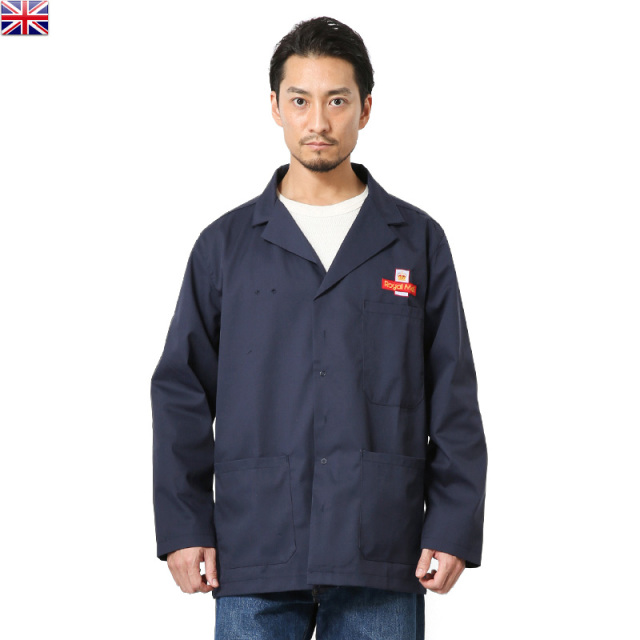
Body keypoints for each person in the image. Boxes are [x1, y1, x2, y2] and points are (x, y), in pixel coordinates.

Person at [151, 16, 488, 640]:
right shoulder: (225, 246)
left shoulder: (415, 241)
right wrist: (184, 525)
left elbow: (453, 392)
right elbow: (181, 390)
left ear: (366, 108)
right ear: (275, 107)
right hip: (255, 546)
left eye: (337, 101)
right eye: (301, 100)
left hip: (381, 546)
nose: (319, 122)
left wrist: (452, 525)